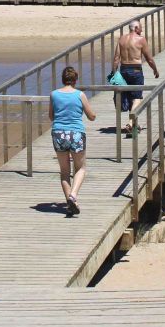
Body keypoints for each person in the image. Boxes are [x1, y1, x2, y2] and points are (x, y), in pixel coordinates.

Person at [50, 65, 96, 217]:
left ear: (63, 79)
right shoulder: (80, 95)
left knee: (64, 171)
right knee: (81, 168)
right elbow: (91, 116)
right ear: (75, 80)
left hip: (58, 133)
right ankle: (73, 196)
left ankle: (71, 204)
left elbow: (51, 116)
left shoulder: (54, 94)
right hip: (76, 133)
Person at [113, 21, 159, 136]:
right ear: (136, 28)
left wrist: (114, 74)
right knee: (137, 97)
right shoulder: (141, 39)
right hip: (136, 70)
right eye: (141, 28)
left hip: (123, 70)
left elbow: (116, 58)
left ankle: (134, 124)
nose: (142, 30)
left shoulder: (121, 39)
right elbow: (149, 59)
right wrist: (155, 69)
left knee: (129, 97)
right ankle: (130, 122)